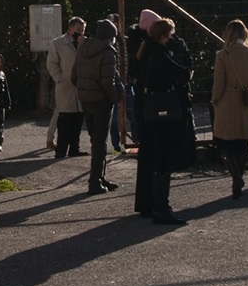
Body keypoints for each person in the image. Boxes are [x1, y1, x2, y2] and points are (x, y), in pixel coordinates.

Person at [132, 17, 194, 224]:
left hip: (150, 110)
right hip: (164, 111)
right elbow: (183, 73)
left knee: (153, 158)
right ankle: (161, 206)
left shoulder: (145, 52)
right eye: (169, 35)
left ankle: (153, 204)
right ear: (163, 36)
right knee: (163, 160)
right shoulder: (159, 54)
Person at [211, 19, 248, 199]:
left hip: (226, 100)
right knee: (242, 142)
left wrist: (215, 99)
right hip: (243, 101)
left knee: (225, 143)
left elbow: (219, 83)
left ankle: (236, 177)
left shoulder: (223, 54)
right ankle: (239, 179)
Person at [72, 18, 122, 196]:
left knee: (96, 140)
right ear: (110, 37)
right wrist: (115, 99)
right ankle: (95, 181)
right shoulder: (108, 53)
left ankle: (99, 177)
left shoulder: (83, 47)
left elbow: (74, 74)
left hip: (86, 99)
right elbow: (108, 81)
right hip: (102, 101)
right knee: (101, 143)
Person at [46, 16, 87, 159]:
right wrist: (60, 78)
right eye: (78, 30)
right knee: (64, 120)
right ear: (70, 29)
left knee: (78, 119)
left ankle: (75, 148)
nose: (81, 32)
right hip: (65, 87)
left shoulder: (84, 43)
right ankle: (61, 150)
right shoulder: (58, 44)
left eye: (83, 30)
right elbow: (51, 63)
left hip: (80, 87)